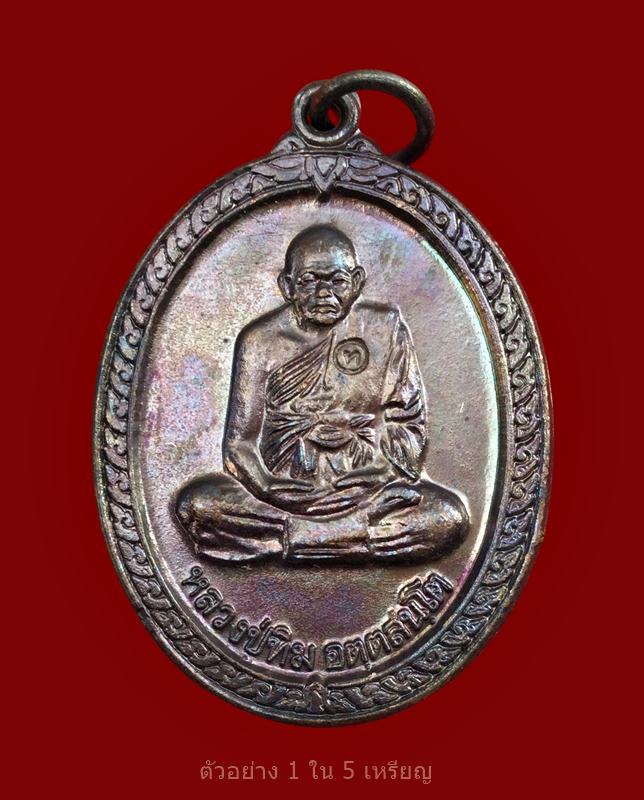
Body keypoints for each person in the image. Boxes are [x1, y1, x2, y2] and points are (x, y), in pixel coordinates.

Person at [175, 225, 468, 563]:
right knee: (198, 505)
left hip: (364, 493)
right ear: (287, 286)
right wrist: (267, 485)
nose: (324, 293)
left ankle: (286, 542)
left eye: (337, 281)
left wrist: (384, 471)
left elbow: (407, 421)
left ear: (357, 282)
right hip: (283, 497)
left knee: (447, 517)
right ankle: (349, 539)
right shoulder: (260, 341)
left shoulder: (383, 329)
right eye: (309, 281)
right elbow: (240, 444)